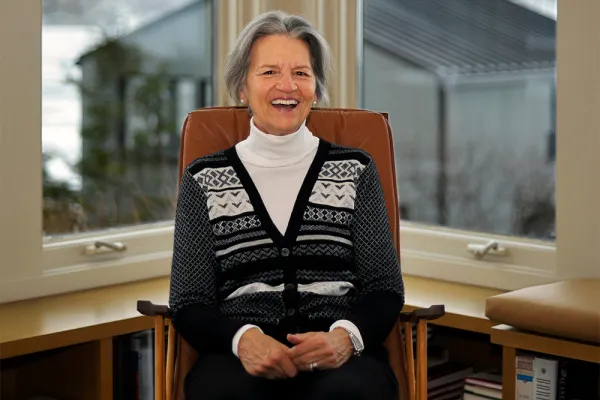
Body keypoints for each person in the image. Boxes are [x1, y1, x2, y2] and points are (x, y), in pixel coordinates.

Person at [168, 10, 405, 399]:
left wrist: (345, 338)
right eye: (268, 72)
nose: (287, 86)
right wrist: (244, 339)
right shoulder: (203, 179)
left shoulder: (355, 170)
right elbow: (188, 301)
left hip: (339, 356)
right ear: (242, 87)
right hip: (240, 358)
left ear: (316, 87)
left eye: (300, 73)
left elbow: (384, 288)